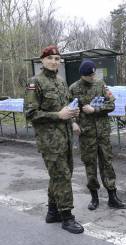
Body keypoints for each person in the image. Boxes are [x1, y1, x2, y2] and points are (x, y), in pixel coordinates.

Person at [23, 45, 84, 234]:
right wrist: (59, 115)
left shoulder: (61, 81)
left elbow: (65, 107)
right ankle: (67, 217)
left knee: (60, 175)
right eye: (50, 58)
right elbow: (30, 113)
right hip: (49, 140)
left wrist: (72, 117)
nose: (54, 61)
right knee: (62, 176)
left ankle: (52, 211)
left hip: (65, 138)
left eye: (57, 59)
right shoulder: (35, 82)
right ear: (42, 61)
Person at [69, 60, 126, 211]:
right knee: (90, 165)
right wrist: (73, 123)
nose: (93, 77)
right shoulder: (73, 88)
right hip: (86, 134)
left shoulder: (101, 85)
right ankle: (94, 197)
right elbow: (69, 109)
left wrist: (95, 110)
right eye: (90, 75)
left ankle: (112, 197)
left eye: (94, 74)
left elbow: (112, 104)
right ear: (83, 75)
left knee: (107, 164)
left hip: (102, 133)